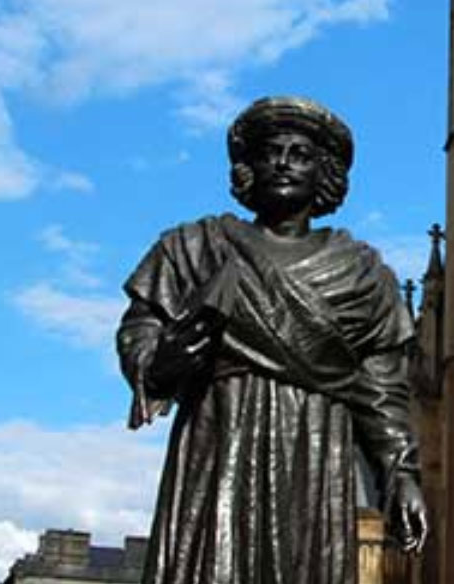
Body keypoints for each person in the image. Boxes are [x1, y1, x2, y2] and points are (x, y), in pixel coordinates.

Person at [116, 96, 428, 584]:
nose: (283, 163)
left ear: (324, 173)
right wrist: (161, 360)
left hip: (315, 448)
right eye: (270, 152)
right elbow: (140, 329)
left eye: (300, 154)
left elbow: (381, 388)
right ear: (248, 168)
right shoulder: (195, 247)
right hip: (219, 439)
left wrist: (403, 472)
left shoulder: (362, 274)